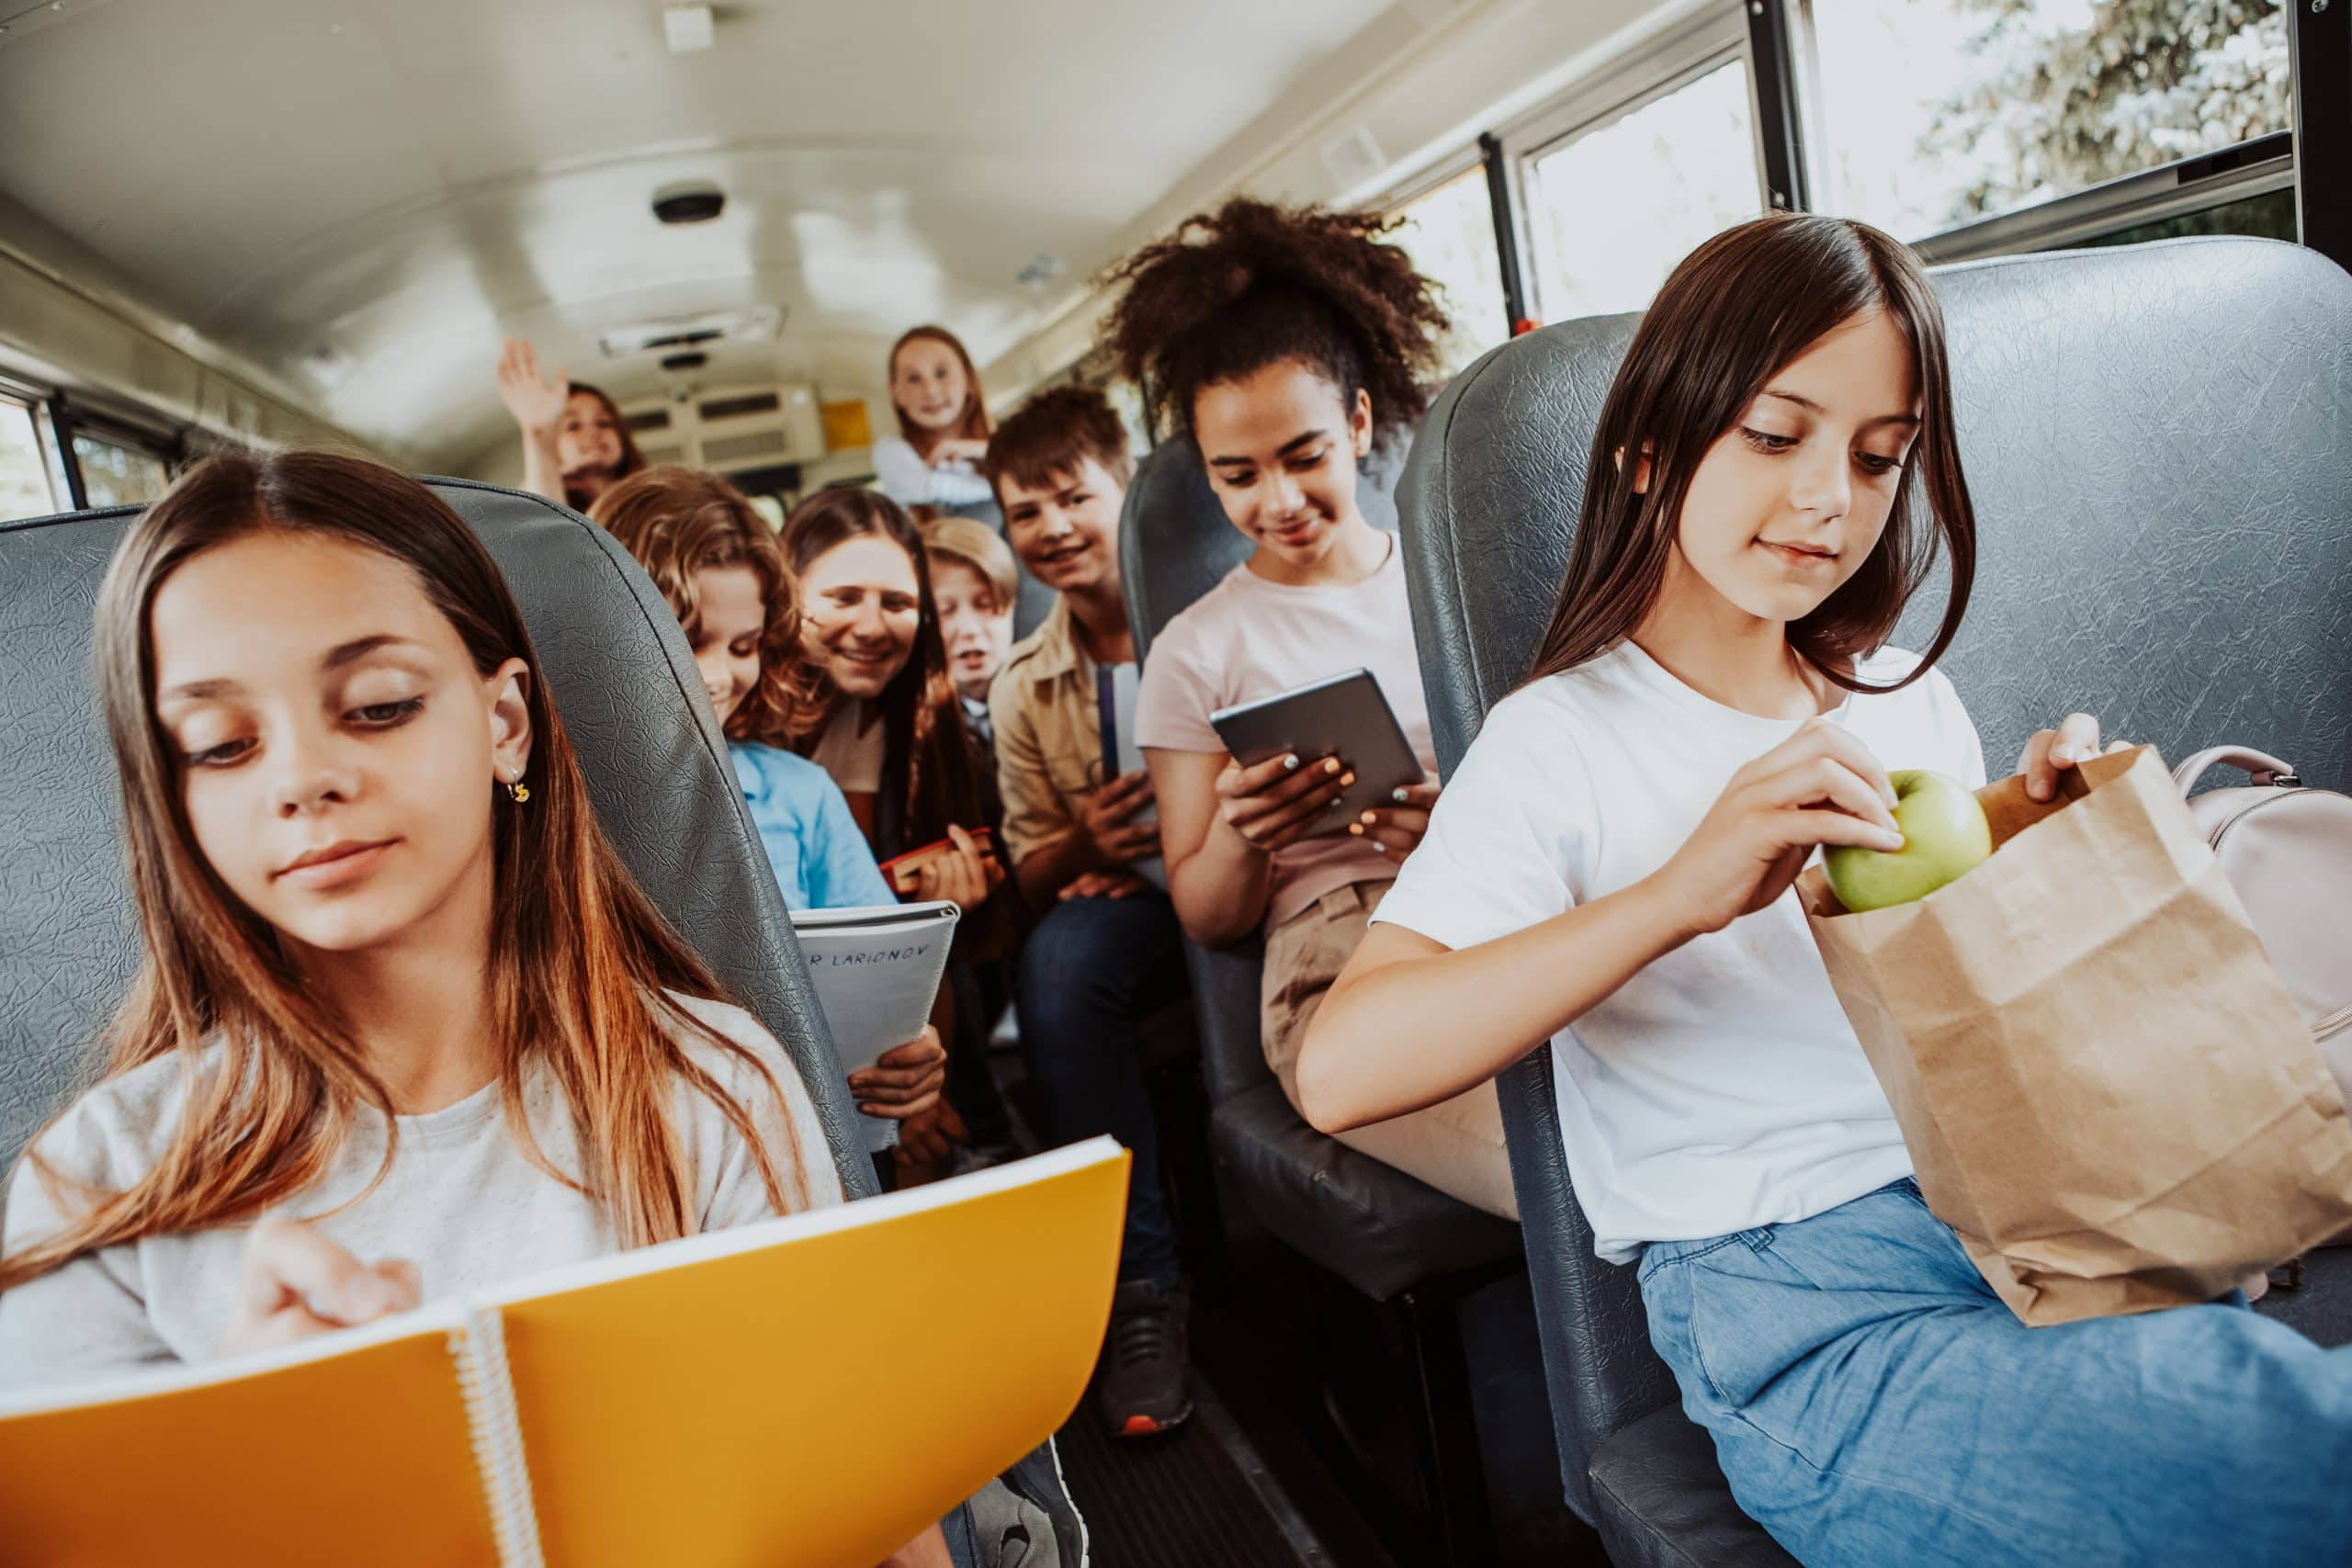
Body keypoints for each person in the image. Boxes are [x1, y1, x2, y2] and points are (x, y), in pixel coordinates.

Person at [1296, 213, 2352, 1565]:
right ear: (1651, 444)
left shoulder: (1905, 698)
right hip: (1807, 1314)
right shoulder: (1559, 739)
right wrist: (1681, 890)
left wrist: (2021, 837)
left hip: (2032, 1217)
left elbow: (1959, 1013)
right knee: (2289, 1443)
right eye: (1775, 435)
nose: (1828, 503)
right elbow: (1343, 1066)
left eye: (1878, 456)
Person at [0, 450, 947, 1566]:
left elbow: (883, 1529)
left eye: (379, 706)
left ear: (505, 723)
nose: (302, 778)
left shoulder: (712, 1087)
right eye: (222, 746)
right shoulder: (103, 1183)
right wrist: (247, 1481)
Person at [1102, 197, 1514, 1220]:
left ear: (1361, 423)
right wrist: (1245, 833)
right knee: (1563, 1159)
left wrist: (1455, 822)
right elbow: (1207, 914)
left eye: (1303, 456)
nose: (1275, 501)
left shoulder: (1458, 585)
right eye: (1235, 476)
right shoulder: (1197, 649)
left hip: (1501, 917)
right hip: (1336, 959)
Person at [982, 385, 1193, 1436]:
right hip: (1134, 910)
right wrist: (1087, 845)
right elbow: (1027, 872)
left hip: (1252, 871)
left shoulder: (1214, 618)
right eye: (1025, 513)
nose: (1053, 528)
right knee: (1057, 964)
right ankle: (1139, 1292)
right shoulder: (1023, 684)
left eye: (1073, 497)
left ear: (1128, 489)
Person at [785, 488, 1018, 1176]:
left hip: (918, 1019)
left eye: (896, 603)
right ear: (788, 596)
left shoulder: (935, 736)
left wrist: (948, 911)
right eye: (843, 597)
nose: (871, 625)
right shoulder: (749, 739)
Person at [591, 467, 897, 917]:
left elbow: (881, 967)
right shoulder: (555, 800)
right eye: (689, 642)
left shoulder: (802, 795)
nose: (717, 677)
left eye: (743, 647)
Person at [492, 336, 649, 513]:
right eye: (573, 425)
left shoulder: (649, 497)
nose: (592, 433)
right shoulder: (530, 497)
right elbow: (545, 518)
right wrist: (538, 433)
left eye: (604, 423)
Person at [921, 515, 1019, 750]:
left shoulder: (1046, 697)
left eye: (984, 605)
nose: (969, 630)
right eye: (945, 611)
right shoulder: (914, 727)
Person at [874, 327, 994, 513]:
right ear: (896, 393)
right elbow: (931, 487)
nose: (931, 391)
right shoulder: (890, 451)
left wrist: (989, 450)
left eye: (941, 373)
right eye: (913, 379)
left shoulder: (1006, 443)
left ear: (969, 380)